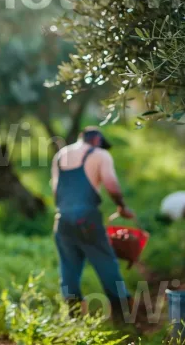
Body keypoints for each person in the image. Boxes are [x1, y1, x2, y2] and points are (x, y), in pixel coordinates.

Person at [51, 126, 135, 322]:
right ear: (97, 140)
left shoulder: (60, 155)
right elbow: (112, 185)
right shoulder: (100, 154)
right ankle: (122, 314)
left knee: (68, 267)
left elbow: (56, 191)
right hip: (87, 219)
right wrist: (122, 207)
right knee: (106, 262)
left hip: (62, 219)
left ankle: (74, 317)